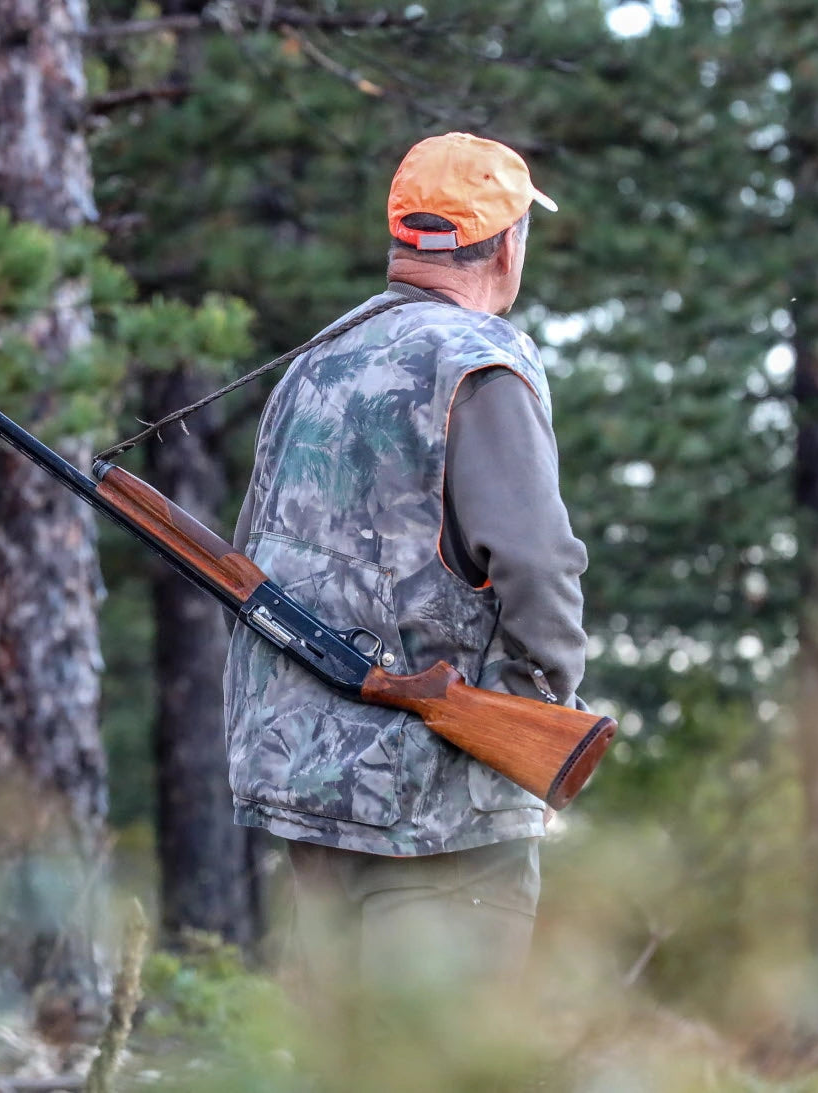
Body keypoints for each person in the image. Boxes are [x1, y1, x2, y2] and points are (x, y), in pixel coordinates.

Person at [223, 132, 590, 1020]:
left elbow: (251, 565)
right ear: (506, 245)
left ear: (403, 240)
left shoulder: (312, 364)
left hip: (310, 797)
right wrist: (547, 708)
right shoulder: (481, 361)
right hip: (441, 813)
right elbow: (536, 561)